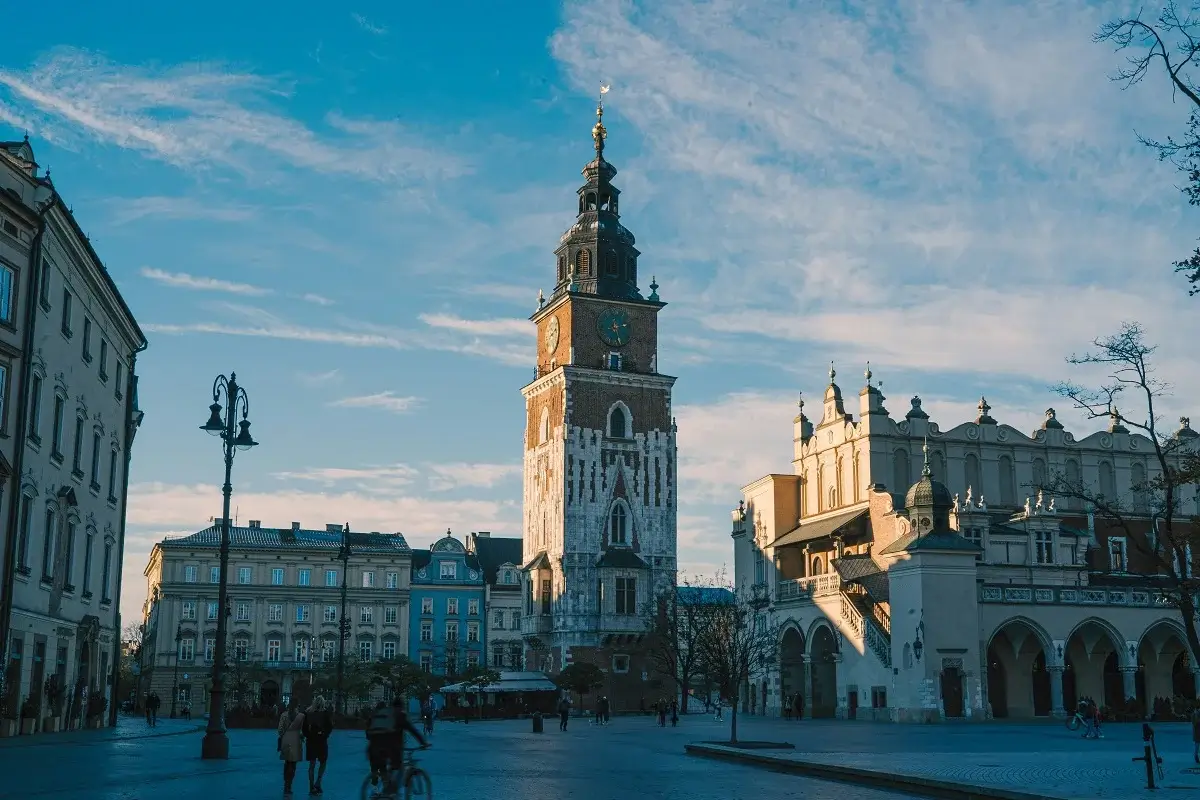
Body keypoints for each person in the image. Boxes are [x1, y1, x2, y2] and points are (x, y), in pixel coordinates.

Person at [366, 697, 428, 796]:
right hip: (389, 748)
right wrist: (423, 742)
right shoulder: (399, 714)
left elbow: (369, 733)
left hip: (372, 747)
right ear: (402, 706)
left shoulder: (384, 714)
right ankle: (390, 791)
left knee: (383, 768)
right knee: (397, 766)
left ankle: (382, 791)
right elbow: (412, 729)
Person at [304, 696, 334, 796]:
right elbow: (330, 727)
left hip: (311, 741)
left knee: (312, 764)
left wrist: (309, 736)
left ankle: (311, 786)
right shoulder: (325, 714)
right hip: (321, 741)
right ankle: (318, 782)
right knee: (323, 762)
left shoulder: (308, 713)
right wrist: (324, 735)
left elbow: (304, 729)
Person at [277, 702, 307, 796]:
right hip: (296, 741)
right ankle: (289, 785)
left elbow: (280, 729)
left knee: (287, 763)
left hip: (286, 740)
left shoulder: (284, 715)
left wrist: (284, 736)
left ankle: (286, 784)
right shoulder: (300, 716)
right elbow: (302, 731)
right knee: (293, 765)